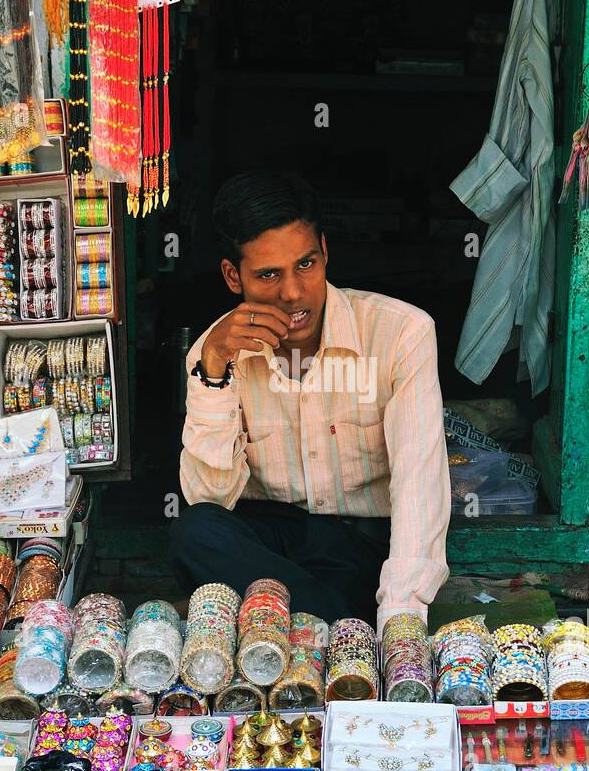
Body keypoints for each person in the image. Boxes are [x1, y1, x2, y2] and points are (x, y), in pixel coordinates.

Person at [171, 171, 450, 633]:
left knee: (355, 577)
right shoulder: (214, 351)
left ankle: (299, 624)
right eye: (268, 275)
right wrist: (215, 366)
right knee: (194, 532)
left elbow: (421, 483)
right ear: (232, 276)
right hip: (274, 548)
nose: (293, 293)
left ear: (325, 252)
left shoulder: (401, 333)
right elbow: (210, 499)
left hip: (362, 551)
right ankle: (339, 627)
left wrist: (401, 617)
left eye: (306, 265)